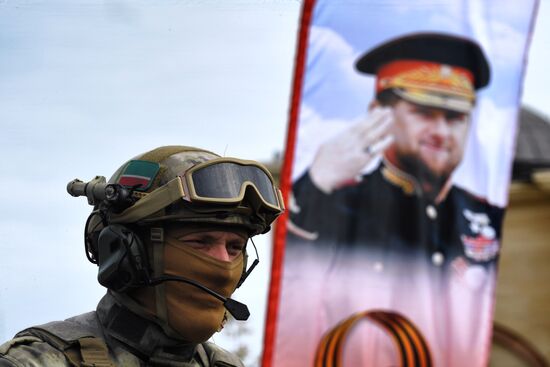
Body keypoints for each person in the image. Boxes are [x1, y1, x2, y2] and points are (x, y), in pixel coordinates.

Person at [0, 146, 284, 366]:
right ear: (126, 252)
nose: (223, 262)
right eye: (200, 242)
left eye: (234, 247)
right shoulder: (39, 361)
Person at [288, 33, 503, 270]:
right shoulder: (334, 206)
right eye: (423, 112)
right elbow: (292, 278)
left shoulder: (488, 215)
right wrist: (313, 187)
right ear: (378, 113)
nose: (441, 132)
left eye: (455, 118)